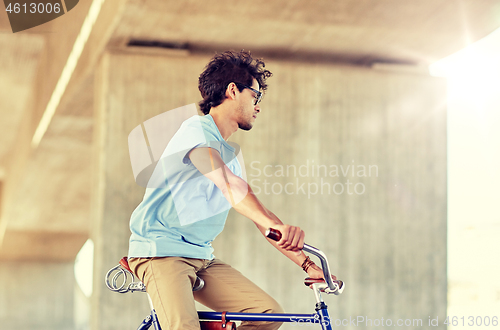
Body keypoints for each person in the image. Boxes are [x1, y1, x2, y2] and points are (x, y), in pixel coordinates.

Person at [127, 50, 332, 330]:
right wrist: (274, 223)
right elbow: (228, 185)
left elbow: (260, 219)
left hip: (201, 258)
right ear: (233, 90)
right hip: (161, 252)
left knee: (267, 313)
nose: (258, 106)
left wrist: (308, 265)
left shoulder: (231, 156)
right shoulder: (195, 131)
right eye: (255, 96)